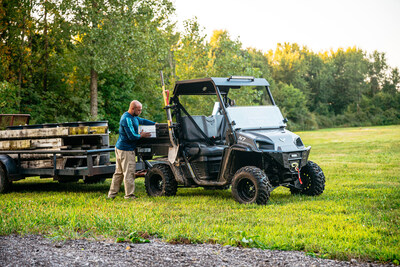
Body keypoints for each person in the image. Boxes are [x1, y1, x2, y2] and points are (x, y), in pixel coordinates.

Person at [108, 100, 155, 199]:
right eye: (138, 110)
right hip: (125, 149)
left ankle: (111, 195)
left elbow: (142, 121)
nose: (140, 112)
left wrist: (156, 124)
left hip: (121, 148)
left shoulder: (134, 117)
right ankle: (129, 196)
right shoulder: (126, 119)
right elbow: (132, 136)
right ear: (132, 108)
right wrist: (141, 135)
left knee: (119, 173)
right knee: (128, 173)